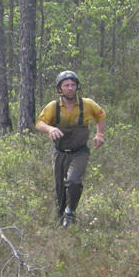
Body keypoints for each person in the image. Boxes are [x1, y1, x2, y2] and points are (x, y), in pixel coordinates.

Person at [35, 70, 106, 227]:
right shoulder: (53, 107)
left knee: (74, 181)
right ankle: (61, 220)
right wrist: (50, 129)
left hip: (80, 152)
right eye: (66, 85)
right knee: (60, 189)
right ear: (60, 89)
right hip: (60, 152)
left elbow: (101, 115)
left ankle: (71, 212)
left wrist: (99, 134)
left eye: (73, 85)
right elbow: (39, 123)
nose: (70, 88)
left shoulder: (87, 104)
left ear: (77, 87)